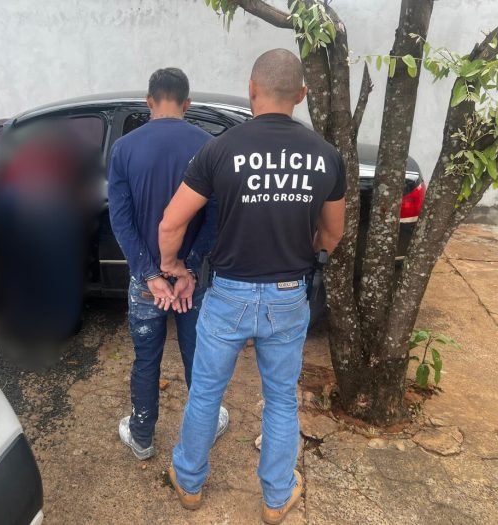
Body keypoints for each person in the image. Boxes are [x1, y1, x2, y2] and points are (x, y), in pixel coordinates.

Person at [158, 50, 346, 524]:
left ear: (251, 89)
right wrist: (307, 252)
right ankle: (276, 497)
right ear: (301, 95)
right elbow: (333, 234)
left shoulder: (220, 150)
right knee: (281, 398)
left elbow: (171, 223)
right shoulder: (326, 156)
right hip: (288, 294)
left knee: (206, 393)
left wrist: (172, 265)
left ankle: (190, 483)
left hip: (228, 295)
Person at [108, 67, 229, 461]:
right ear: (187, 103)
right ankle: (204, 429)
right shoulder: (209, 146)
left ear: (149, 102)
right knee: (198, 355)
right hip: (192, 282)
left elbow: (120, 220)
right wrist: (189, 268)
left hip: (149, 283)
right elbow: (215, 218)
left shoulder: (124, 148)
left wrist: (148, 273)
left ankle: (142, 436)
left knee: (147, 359)